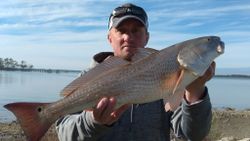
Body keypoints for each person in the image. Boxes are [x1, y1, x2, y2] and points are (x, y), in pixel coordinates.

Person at [56, 3, 214, 141]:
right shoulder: (87, 78)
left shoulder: (166, 73)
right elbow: (65, 135)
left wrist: (195, 92)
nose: (128, 37)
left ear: (147, 37)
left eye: (136, 30)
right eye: (121, 30)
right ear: (110, 38)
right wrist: (93, 121)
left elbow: (192, 135)